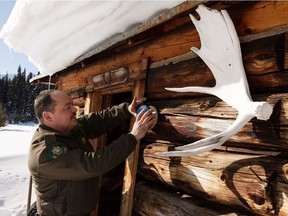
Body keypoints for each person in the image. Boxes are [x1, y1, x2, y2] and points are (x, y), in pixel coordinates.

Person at [28, 89, 155, 216]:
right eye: (67, 107)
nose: (75, 109)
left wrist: (127, 109)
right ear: (48, 116)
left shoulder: (68, 127)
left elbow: (98, 120)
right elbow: (93, 164)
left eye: (72, 104)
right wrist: (133, 137)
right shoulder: (45, 152)